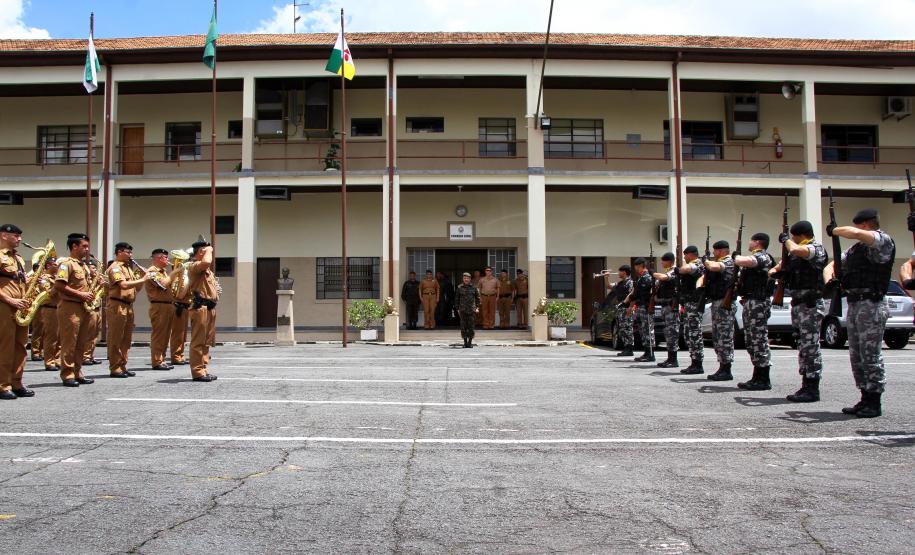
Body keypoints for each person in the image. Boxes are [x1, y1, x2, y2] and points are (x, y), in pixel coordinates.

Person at [826, 208, 896, 418]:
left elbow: (855, 234)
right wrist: (830, 278)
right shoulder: (856, 250)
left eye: (859, 225)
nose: (856, 229)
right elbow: (832, 264)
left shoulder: (882, 240)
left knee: (870, 354)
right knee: (856, 354)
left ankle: (874, 401)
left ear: (865, 225)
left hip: (872, 304)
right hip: (855, 303)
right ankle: (865, 396)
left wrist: (835, 230)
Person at [770, 220, 827, 403]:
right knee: (803, 345)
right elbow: (775, 269)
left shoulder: (815, 248)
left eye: (793, 236)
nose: (791, 239)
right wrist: (778, 272)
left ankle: (812, 388)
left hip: (810, 303)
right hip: (799, 305)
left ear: (800, 235)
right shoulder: (794, 254)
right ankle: (806, 384)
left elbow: (795, 250)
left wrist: (787, 241)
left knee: (811, 346)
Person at [734, 233, 775, 390]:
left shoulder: (763, 257)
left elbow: (746, 261)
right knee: (751, 340)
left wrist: (736, 257)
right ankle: (757, 376)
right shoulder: (753, 258)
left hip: (759, 302)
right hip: (751, 302)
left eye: (751, 240)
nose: (749, 243)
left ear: (758, 242)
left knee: (759, 339)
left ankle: (764, 378)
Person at [54, 233, 96, 388]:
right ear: (74, 246)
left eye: (87, 246)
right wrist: (82, 294)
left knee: (81, 342)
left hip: (83, 307)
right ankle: (67, 374)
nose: (87, 249)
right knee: (69, 342)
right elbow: (59, 285)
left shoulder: (82, 265)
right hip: (70, 307)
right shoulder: (67, 264)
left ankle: (78, 372)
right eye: (84, 246)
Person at [106, 243, 149, 378]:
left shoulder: (128, 269)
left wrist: (142, 280)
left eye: (131, 252)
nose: (131, 255)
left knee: (126, 339)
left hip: (128, 305)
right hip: (117, 305)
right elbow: (123, 285)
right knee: (116, 338)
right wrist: (143, 278)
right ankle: (115, 367)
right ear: (119, 252)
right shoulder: (115, 268)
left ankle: (123, 365)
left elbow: (136, 289)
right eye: (128, 252)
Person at [0, 224, 33, 399]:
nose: (19, 239)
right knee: (5, 346)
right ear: (4, 235)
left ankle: (16, 381)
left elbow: (20, 280)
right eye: (16, 236)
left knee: (20, 346)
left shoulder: (18, 258)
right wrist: (9, 299)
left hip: (21, 306)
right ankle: (2, 385)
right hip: (4, 306)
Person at [704, 240, 737, 381]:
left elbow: (714, 267)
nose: (713, 253)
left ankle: (726, 369)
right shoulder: (718, 262)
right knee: (717, 337)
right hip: (717, 302)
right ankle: (722, 367)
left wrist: (705, 261)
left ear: (721, 251)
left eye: (715, 251)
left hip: (725, 303)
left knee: (725, 336)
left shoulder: (728, 261)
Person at [187, 240, 218, 382]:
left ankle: (203, 368)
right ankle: (197, 371)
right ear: (201, 252)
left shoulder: (206, 270)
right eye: (206, 251)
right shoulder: (195, 266)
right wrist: (209, 250)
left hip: (209, 307)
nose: (210, 253)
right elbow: (206, 262)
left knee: (206, 342)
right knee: (198, 341)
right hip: (200, 308)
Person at [147, 248, 177, 370]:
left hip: (168, 305)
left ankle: (162, 359)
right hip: (158, 305)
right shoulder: (152, 271)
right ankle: (157, 361)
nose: (168, 260)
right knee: (159, 335)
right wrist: (175, 272)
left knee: (165, 335)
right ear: (158, 258)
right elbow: (163, 284)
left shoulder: (163, 272)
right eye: (165, 257)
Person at [678, 246, 706, 374]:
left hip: (695, 303)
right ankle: (694, 362)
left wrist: (678, 269)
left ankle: (698, 364)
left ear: (691, 254)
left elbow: (685, 269)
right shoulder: (694, 264)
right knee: (690, 333)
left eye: (685, 255)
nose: (684, 257)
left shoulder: (697, 264)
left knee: (695, 333)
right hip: (689, 303)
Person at [625, 258, 655, 362]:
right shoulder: (641, 278)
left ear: (641, 265)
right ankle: (646, 352)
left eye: (637, 266)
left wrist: (632, 298)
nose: (635, 268)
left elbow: (645, 293)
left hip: (646, 306)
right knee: (643, 330)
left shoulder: (647, 277)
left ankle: (650, 354)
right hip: (640, 306)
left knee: (648, 330)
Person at [653, 252, 680, 368]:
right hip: (665, 306)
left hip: (671, 307)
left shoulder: (674, 271)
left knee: (672, 333)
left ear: (669, 261)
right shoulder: (668, 271)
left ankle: (673, 360)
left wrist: (652, 273)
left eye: (663, 261)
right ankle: (670, 358)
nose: (662, 263)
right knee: (668, 333)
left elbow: (664, 278)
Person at [39, 257, 60, 372]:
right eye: (54, 264)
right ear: (48, 266)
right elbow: (50, 293)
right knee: (51, 337)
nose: (57, 266)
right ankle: (49, 361)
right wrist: (58, 284)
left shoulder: (57, 277)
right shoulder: (44, 279)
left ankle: (57, 358)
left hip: (60, 308)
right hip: (50, 309)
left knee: (60, 337)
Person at [82, 257, 102, 366]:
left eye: (95, 268)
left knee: (94, 334)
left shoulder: (96, 279)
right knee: (88, 334)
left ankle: (90, 355)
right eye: (92, 268)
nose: (94, 270)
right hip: (89, 309)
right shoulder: (86, 279)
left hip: (97, 307)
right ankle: (85, 356)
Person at [454, 272, 481, 348]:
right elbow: (457, 299)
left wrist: (477, 308)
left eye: (467, 278)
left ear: (470, 279)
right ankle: (465, 342)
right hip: (462, 310)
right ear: (463, 279)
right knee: (463, 327)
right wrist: (457, 309)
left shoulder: (474, 287)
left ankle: (470, 342)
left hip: (472, 310)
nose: (466, 279)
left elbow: (478, 298)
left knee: (471, 327)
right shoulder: (459, 287)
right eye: (464, 278)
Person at [613, 265, 635, 357]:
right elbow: (609, 286)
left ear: (624, 272)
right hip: (621, 309)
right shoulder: (621, 283)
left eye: (620, 271)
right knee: (622, 329)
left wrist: (630, 307)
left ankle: (629, 348)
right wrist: (606, 278)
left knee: (627, 329)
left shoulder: (630, 283)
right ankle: (626, 347)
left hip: (627, 308)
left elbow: (632, 296)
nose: (618, 273)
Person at [28, 260, 43, 361]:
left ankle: (41, 351)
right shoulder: (31, 279)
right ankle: (35, 352)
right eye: (40, 269)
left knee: (44, 331)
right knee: (37, 331)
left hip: (44, 306)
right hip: (35, 307)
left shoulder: (43, 280)